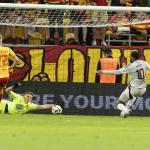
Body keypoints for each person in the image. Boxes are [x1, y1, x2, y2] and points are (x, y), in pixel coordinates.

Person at [97, 51, 150, 118]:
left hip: (134, 89)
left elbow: (116, 72)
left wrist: (102, 71)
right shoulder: (143, 63)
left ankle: (125, 110)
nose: (130, 58)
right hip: (143, 89)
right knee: (132, 96)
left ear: (132, 57)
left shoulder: (131, 66)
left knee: (119, 103)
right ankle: (124, 112)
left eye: (130, 57)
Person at [0, 34, 19, 102]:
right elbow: (17, 60)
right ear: (1, 41)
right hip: (5, 76)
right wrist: (10, 67)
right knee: (1, 89)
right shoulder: (7, 49)